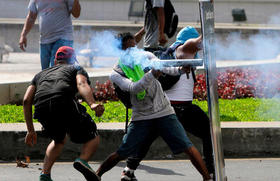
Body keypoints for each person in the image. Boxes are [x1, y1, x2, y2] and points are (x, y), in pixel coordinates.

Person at [93, 32, 213, 181]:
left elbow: (164, 67)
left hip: (164, 111)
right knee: (123, 152)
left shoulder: (145, 56)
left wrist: (180, 70)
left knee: (187, 147)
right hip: (142, 115)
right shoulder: (116, 73)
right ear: (120, 51)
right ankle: (96, 175)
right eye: (128, 48)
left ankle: (207, 178)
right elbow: (134, 88)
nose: (133, 51)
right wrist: (152, 74)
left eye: (134, 46)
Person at [23, 46, 104, 181]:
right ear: (73, 60)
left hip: (41, 107)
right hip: (63, 101)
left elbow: (26, 100)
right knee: (92, 135)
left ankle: (45, 174)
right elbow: (81, 83)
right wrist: (92, 104)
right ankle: (82, 160)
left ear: (55, 61)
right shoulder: (75, 68)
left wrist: (30, 130)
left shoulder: (40, 74)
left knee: (58, 139)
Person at [19, 0, 81, 70]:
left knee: (56, 71)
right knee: (45, 73)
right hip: (44, 40)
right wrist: (23, 35)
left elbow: (76, 14)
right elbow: (31, 17)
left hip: (62, 38)